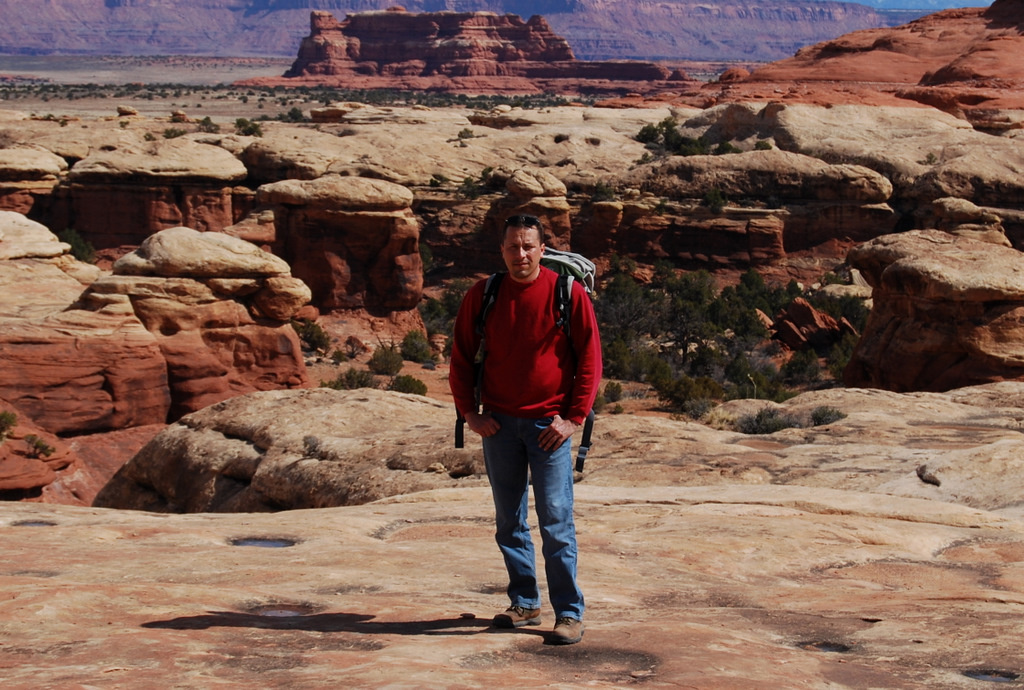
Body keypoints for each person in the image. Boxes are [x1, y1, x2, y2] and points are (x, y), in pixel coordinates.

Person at [449, 214, 602, 645]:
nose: (521, 255)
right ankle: (525, 603)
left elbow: (590, 360)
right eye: (513, 247)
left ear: (542, 249)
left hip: (547, 427)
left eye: (528, 246)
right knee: (508, 521)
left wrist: (573, 419)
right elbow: (461, 359)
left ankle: (569, 613)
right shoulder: (484, 294)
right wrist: (470, 415)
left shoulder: (565, 291)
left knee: (556, 522)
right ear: (502, 251)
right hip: (499, 425)